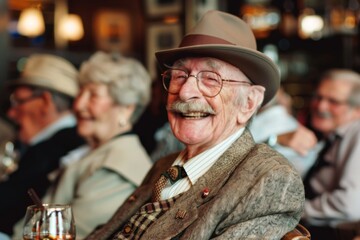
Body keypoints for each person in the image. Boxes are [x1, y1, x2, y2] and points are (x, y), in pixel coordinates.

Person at [85, 10, 305, 240]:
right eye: (179, 76)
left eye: (211, 79)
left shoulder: (270, 178)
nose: (185, 92)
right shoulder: (164, 166)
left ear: (248, 103)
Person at [12, 51, 153, 239]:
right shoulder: (95, 152)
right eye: (80, 93)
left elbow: (75, 235)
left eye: (93, 95)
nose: (78, 104)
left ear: (126, 109)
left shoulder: (117, 167)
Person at [0, 54, 85, 236]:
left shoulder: (63, 149)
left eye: (19, 101)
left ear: (45, 102)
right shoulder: (40, 145)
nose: (11, 113)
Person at [300, 69, 360, 239]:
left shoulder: (357, 133)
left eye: (333, 101)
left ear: (357, 110)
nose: (320, 106)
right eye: (318, 97)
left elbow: (350, 204)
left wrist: (297, 210)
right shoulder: (333, 136)